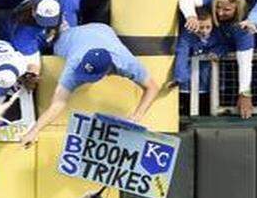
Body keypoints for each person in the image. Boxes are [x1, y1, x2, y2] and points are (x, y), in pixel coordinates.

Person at [19, 22, 160, 147]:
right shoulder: (73, 66)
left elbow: (152, 87)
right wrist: (34, 131)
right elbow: (58, 103)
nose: (85, 80)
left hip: (102, 29)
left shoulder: (127, 63)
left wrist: (135, 118)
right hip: (68, 38)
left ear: (106, 71)